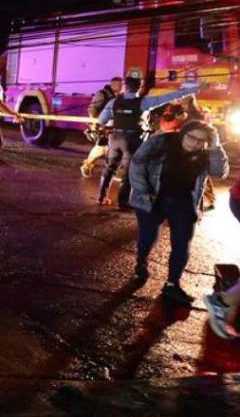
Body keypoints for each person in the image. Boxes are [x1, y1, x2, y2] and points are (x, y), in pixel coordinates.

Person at [128, 119, 228, 304]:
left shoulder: (206, 153)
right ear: (183, 133)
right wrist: (143, 191)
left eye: (201, 141)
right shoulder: (160, 141)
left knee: (182, 244)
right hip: (153, 198)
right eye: (192, 138)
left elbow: (220, 173)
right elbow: (137, 164)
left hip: (183, 202)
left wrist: (215, 147)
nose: (196, 143)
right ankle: (141, 261)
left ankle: (172, 285)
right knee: (148, 237)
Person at [97, 76, 199, 208]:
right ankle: (122, 202)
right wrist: (195, 89)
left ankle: (101, 197)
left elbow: (101, 120)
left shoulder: (114, 102)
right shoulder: (144, 102)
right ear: (140, 87)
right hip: (133, 139)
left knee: (109, 167)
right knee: (129, 171)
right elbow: (170, 96)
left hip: (115, 137)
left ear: (125, 86)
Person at [80, 77, 123, 179]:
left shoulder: (117, 96)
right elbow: (92, 109)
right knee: (102, 148)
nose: (121, 87)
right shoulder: (102, 94)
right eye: (119, 85)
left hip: (113, 126)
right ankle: (87, 166)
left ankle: (111, 170)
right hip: (104, 127)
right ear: (113, 84)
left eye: (122, 85)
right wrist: (94, 125)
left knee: (108, 148)